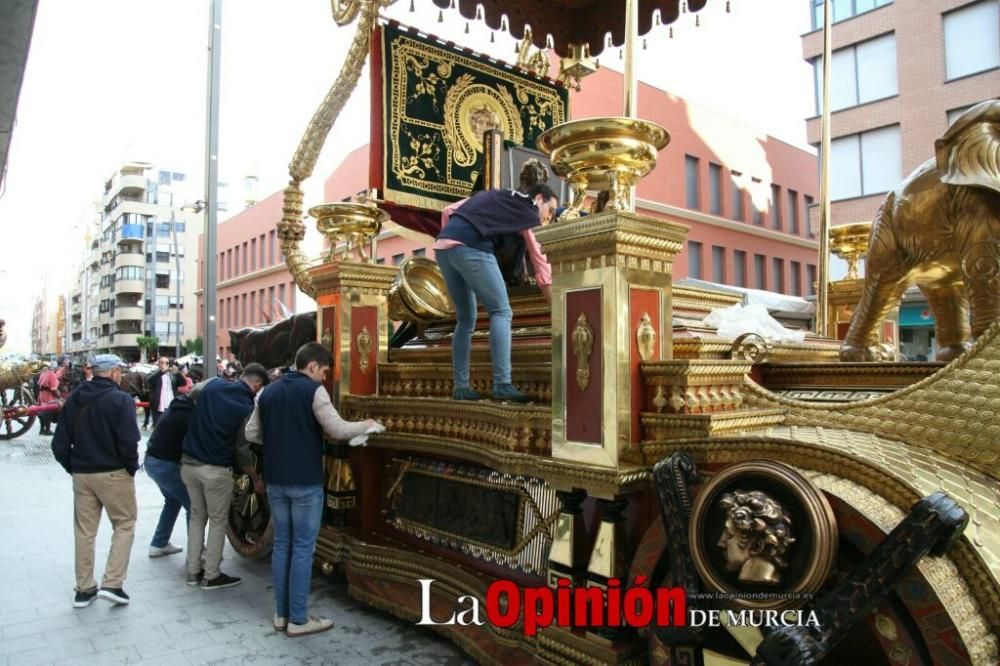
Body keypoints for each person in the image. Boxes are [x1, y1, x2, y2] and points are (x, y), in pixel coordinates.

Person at [246, 342, 384, 636]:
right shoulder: (313, 391)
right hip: (306, 482)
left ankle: (282, 614)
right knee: (302, 549)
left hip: (275, 480)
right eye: (324, 371)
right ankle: (299, 619)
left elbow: (251, 433)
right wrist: (367, 424)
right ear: (312, 366)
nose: (324, 378)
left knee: (282, 544)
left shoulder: (267, 391)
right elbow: (337, 430)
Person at [434, 183, 557, 403]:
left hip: (443, 246)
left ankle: (461, 387)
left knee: (465, 320)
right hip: (471, 246)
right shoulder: (528, 210)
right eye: (551, 210)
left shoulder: (496, 195)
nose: (548, 218)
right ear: (539, 198)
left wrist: (452, 244)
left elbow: (448, 211)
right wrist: (556, 309)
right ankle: (502, 383)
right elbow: (539, 261)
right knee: (501, 311)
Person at [50, 354, 140, 608]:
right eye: (119, 371)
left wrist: (74, 467)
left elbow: (59, 444)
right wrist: (130, 469)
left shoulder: (75, 398)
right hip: (113, 473)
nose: (121, 374)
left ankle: (84, 588)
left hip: (82, 474)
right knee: (124, 524)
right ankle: (113, 583)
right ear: (112, 373)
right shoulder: (120, 399)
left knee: (84, 532)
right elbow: (128, 441)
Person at [181, 363, 269, 590]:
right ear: (257, 385)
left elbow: (192, 392)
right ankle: (211, 575)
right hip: (215, 469)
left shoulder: (214, 384)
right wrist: (256, 478)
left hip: (188, 463)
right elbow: (241, 450)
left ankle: (192, 572)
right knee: (218, 522)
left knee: (197, 517)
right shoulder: (246, 406)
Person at [144, 385, 201, 558]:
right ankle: (196, 551)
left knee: (173, 501)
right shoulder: (188, 415)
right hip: (165, 464)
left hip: (153, 461)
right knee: (194, 505)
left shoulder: (178, 406)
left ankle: (159, 543)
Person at [148, 356, 182, 427]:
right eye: (162, 362)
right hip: (158, 407)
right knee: (158, 429)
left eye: (166, 363)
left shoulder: (172, 374)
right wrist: (161, 372)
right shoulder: (154, 373)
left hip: (171, 406)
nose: (164, 364)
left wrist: (178, 373)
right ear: (158, 364)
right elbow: (149, 381)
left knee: (171, 428)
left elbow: (183, 383)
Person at [36, 363, 61, 436]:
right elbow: (53, 388)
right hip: (48, 396)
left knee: (42, 412)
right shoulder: (52, 375)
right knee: (48, 412)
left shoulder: (43, 374)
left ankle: (41, 429)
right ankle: (47, 430)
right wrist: (58, 395)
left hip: (41, 395)